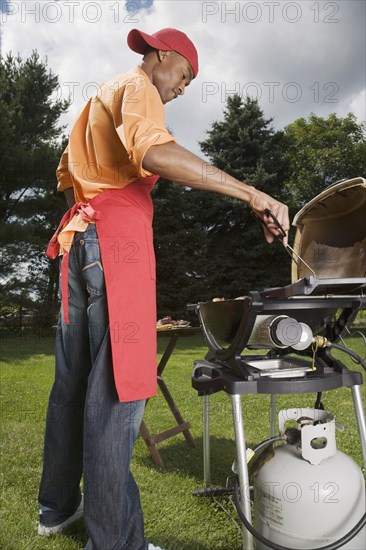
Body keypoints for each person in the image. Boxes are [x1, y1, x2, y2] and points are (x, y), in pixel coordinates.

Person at [38, 28, 290, 550]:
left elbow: (67, 176)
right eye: (184, 75)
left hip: (79, 244)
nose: (182, 89)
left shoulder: (96, 98)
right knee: (117, 393)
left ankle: (56, 510)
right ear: (162, 54)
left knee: (72, 387)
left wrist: (91, 227)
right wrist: (249, 192)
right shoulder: (140, 88)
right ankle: (118, 542)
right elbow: (154, 152)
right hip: (116, 249)